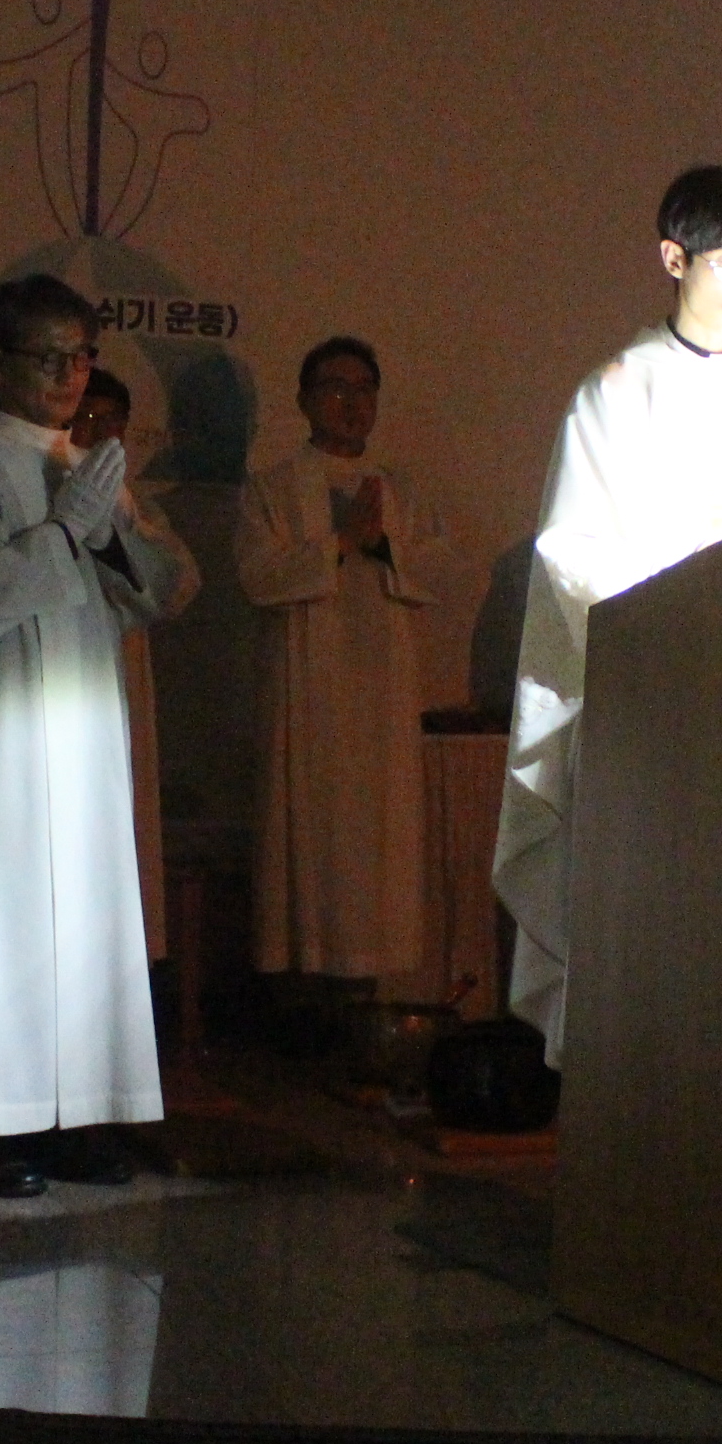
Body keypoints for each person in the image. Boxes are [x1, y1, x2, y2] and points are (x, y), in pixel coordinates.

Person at [491, 165, 722, 1058]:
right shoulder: (618, 393)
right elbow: (575, 555)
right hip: (659, 714)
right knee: (655, 941)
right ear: (673, 259)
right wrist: (687, 617)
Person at [0, 275, 188, 1193]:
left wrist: (107, 535)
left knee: (86, 912)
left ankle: (75, 1115)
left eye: (82, 356)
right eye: (49, 357)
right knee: (4, 910)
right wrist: (63, 529)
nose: (68, 375)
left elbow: (161, 591)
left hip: (81, 717)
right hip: (1, 725)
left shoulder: (91, 468)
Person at [239, 336, 448, 985]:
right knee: (313, 825)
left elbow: (437, 568)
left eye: (364, 390)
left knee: (380, 832)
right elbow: (259, 576)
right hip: (308, 688)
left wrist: (382, 545)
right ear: (304, 400)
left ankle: (372, 980)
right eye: (335, 388)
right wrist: (341, 542)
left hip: (382, 688)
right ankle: (306, 983)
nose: (352, 403)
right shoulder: (272, 487)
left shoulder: (401, 489)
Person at [70, 365, 204, 961]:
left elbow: (178, 584)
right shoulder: (45, 479)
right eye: (88, 416)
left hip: (121, 672)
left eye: (113, 421)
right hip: (64, 669)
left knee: (121, 812)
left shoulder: (136, 502)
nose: (100, 432)